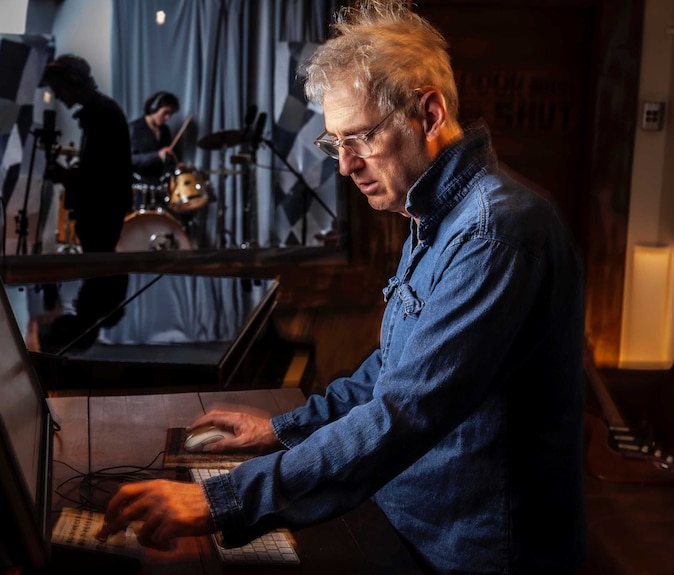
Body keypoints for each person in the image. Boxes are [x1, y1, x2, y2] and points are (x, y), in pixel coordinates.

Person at [96, 1, 588, 573]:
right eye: (335, 143)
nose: (345, 165)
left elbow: (404, 412)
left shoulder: (495, 233)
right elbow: (392, 370)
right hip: (400, 524)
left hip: (468, 557)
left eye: (358, 138)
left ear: (428, 115)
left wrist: (220, 500)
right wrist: (281, 429)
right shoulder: (434, 214)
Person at [40, 54, 132, 252]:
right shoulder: (102, 111)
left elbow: (99, 176)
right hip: (103, 207)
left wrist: (66, 175)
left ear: (73, 82)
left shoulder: (103, 115)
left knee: (100, 268)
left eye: (58, 89)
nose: (57, 96)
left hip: (101, 210)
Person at [129, 91, 183, 192]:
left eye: (170, 114)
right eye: (165, 113)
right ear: (153, 108)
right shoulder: (133, 129)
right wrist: (157, 155)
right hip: (139, 186)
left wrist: (175, 166)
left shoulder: (165, 130)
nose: (168, 117)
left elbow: (165, 159)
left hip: (161, 185)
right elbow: (129, 159)